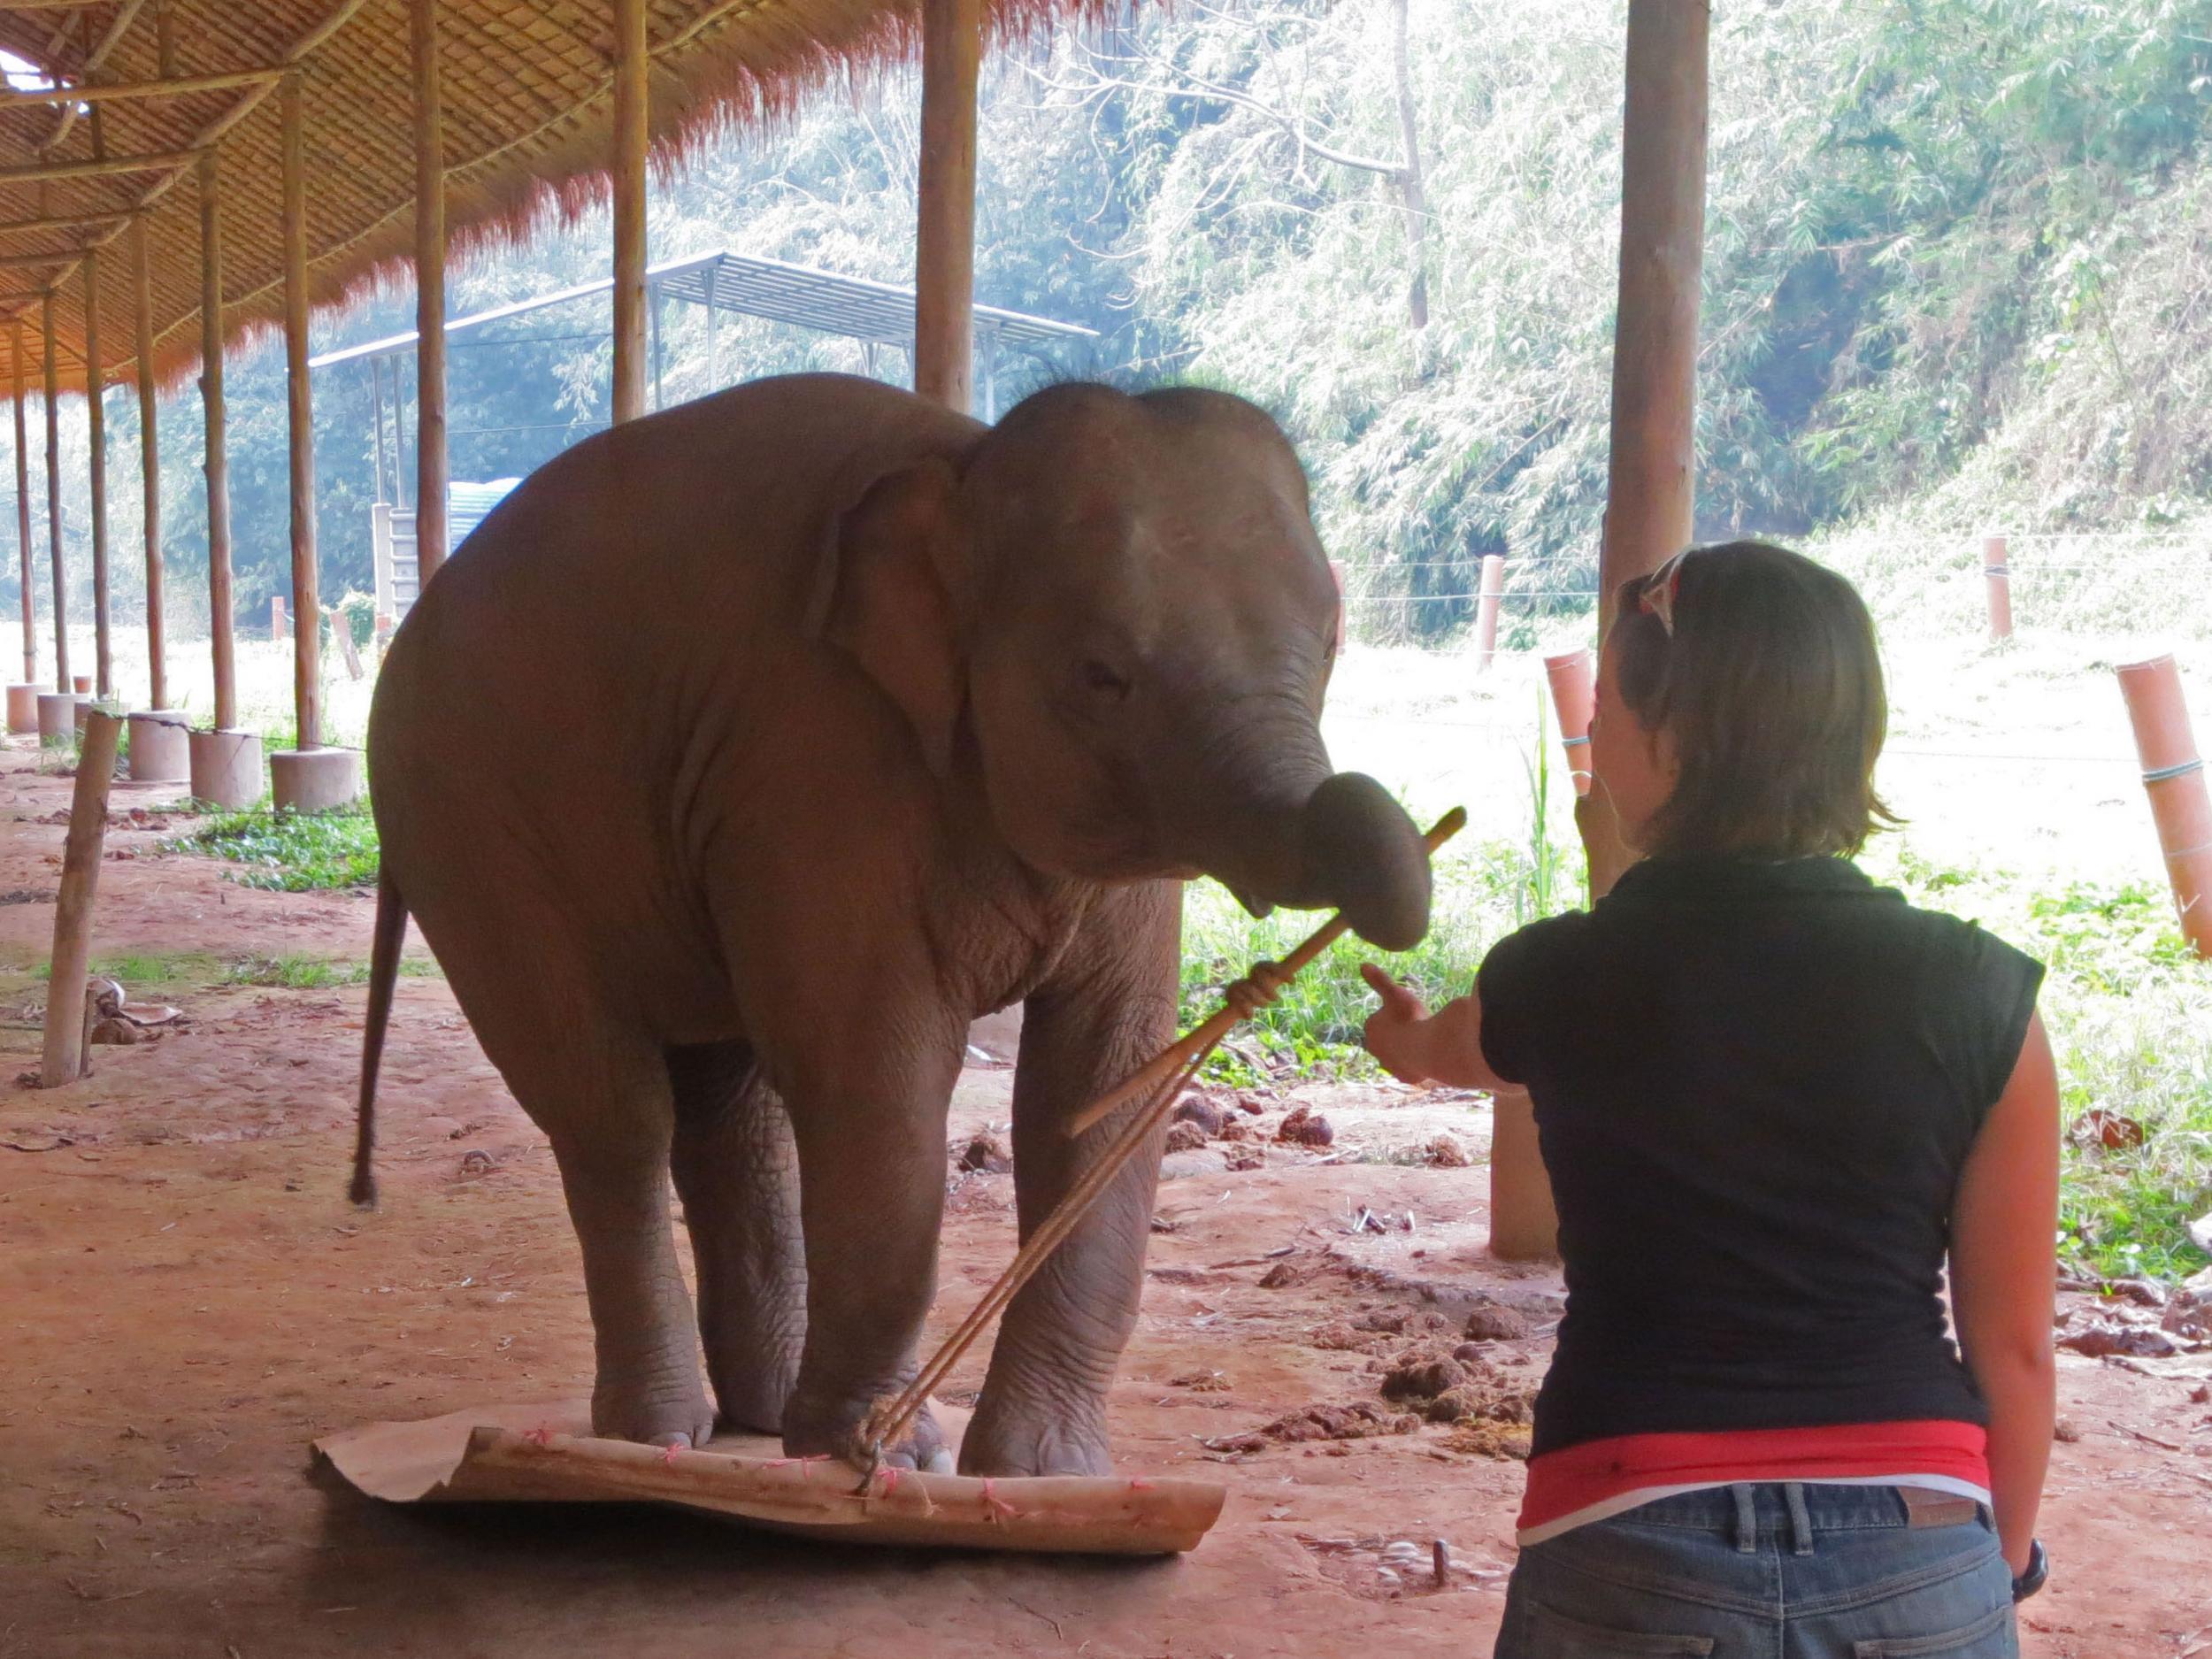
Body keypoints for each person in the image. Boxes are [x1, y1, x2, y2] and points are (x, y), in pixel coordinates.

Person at [1361, 541, 2056, 1657]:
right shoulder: (1988, 1000)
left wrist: (1393, 1035)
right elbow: (2013, 1353)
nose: (1591, 757)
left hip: (1624, 1532)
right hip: (1918, 1539)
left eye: (1601, 723)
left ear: (1668, 736)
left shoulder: (1552, 978)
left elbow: (1444, 1048)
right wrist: (1994, 1572)